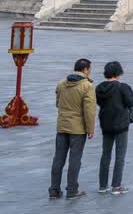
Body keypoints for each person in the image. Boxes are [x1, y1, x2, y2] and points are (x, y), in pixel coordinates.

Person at [50, 58, 96, 199]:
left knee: (58, 158)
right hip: (78, 129)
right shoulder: (87, 86)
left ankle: (54, 190)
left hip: (62, 126)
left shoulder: (62, 83)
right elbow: (89, 110)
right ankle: (72, 190)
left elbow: (58, 103)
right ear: (86, 70)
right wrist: (90, 129)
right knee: (75, 160)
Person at [95, 61, 133, 195]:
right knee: (120, 155)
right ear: (119, 73)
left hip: (106, 124)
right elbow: (132, 101)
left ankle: (102, 185)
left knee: (105, 154)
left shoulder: (99, 88)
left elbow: (100, 102)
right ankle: (116, 186)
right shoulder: (122, 87)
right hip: (121, 124)